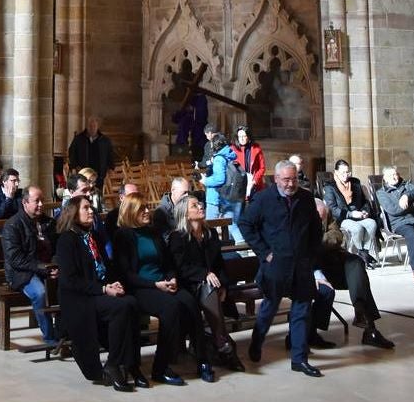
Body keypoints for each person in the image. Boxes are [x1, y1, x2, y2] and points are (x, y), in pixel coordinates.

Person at [113, 195, 213, 385]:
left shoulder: (153, 233)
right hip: (140, 288)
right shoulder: (123, 235)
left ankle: (202, 360)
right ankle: (160, 367)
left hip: (162, 283)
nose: (147, 211)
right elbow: (126, 274)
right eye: (142, 209)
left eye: (146, 207)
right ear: (130, 212)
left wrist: (172, 277)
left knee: (190, 302)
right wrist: (155, 285)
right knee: (170, 307)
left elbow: (168, 263)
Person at [240, 159, 324, 376]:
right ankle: (256, 342)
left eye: (294, 179)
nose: (290, 184)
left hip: (301, 265)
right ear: (276, 178)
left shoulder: (305, 198)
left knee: (301, 311)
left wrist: (310, 255)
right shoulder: (263, 199)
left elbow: (316, 228)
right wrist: (264, 252)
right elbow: (246, 224)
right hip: (276, 265)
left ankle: (299, 359)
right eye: (286, 179)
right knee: (269, 309)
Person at [55, 195, 143, 390]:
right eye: (86, 208)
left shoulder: (93, 236)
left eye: (91, 208)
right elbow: (71, 280)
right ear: (73, 213)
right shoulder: (66, 240)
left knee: (131, 302)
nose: (91, 211)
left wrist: (114, 284)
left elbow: (104, 267)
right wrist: (104, 289)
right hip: (79, 299)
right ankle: (114, 364)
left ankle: (129, 363)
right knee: (121, 307)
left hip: (99, 292)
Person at [168, 194, 244, 371]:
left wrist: (223, 284)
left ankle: (220, 343)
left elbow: (219, 263)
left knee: (211, 288)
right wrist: (204, 274)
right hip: (188, 286)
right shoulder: (177, 237)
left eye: (199, 204)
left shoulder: (209, 234)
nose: (200, 207)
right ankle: (223, 343)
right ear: (185, 214)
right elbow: (180, 268)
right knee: (209, 288)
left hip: (211, 285)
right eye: (194, 206)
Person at [310, 199, 393, 350]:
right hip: (311, 267)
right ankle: (369, 327)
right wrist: (321, 243)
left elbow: (337, 235)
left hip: (331, 261)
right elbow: (305, 246)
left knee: (356, 262)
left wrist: (320, 242)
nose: (322, 220)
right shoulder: (300, 220)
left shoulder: (325, 214)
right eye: (319, 218)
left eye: (324, 218)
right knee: (354, 276)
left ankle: (364, 317)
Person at [1, 184, 58, 347]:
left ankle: (65, 331)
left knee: (69, 286)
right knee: (40, 293)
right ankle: (50, 337)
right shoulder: (13, 225)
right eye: (36, 201)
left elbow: (57, 248)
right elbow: (15, 258)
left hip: (46, 269)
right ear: (25, 203)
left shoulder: (49, 223)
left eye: (42, 201)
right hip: (21, 274)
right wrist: (43, 269)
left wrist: (55, 266)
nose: (41, 204)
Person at [322, 160, 378, 266]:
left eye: (348, 172)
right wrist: (351, 214)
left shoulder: (355, 183)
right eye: (343, 172)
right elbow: (332, 208)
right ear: (336, 172)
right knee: (357, 228)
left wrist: (365, 211)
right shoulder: (330, 187)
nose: (346, 175)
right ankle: (361, 254)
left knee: (372, 223)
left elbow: (364, 201)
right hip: (341, 218)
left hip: (358, 215)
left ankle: (363, 252)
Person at [376, 166, 414, 284]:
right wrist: (412, 203)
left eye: (395, 174)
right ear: (385, 178)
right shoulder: (381, 193)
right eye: (390, 175)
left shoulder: (406, 185)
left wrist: (407, 195)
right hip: (399, 223)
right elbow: (394, 210)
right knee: (412, 234)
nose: (394, 177)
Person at [203, 132, 244, 238]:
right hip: (228, 195)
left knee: (210, 226)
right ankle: (241, 248)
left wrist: (205, 180)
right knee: (231, 225)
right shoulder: (228, 154)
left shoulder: (219, 159)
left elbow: (219, 179)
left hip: (215, 197)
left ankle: (211, 250)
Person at [67, 116, 115, 190]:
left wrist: (111, 168)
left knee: (98, 193)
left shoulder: (105, 140)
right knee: (84, 190)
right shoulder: (79, 139)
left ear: (97, 126)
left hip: (100, 173)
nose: (92, 128)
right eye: (90, 126)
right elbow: (72, 153)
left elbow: (110, 154)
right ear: (87, 126)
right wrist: (74, 166)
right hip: (84, 172)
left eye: (94, 126)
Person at [232, 125, 266, 200]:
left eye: (244, 136)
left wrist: (255, 180)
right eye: (240, 136)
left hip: (255, 185)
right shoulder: (233, 149)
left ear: (248, 136)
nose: (242, 139)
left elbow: (262, 168)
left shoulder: (256, 148)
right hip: (239, 185)